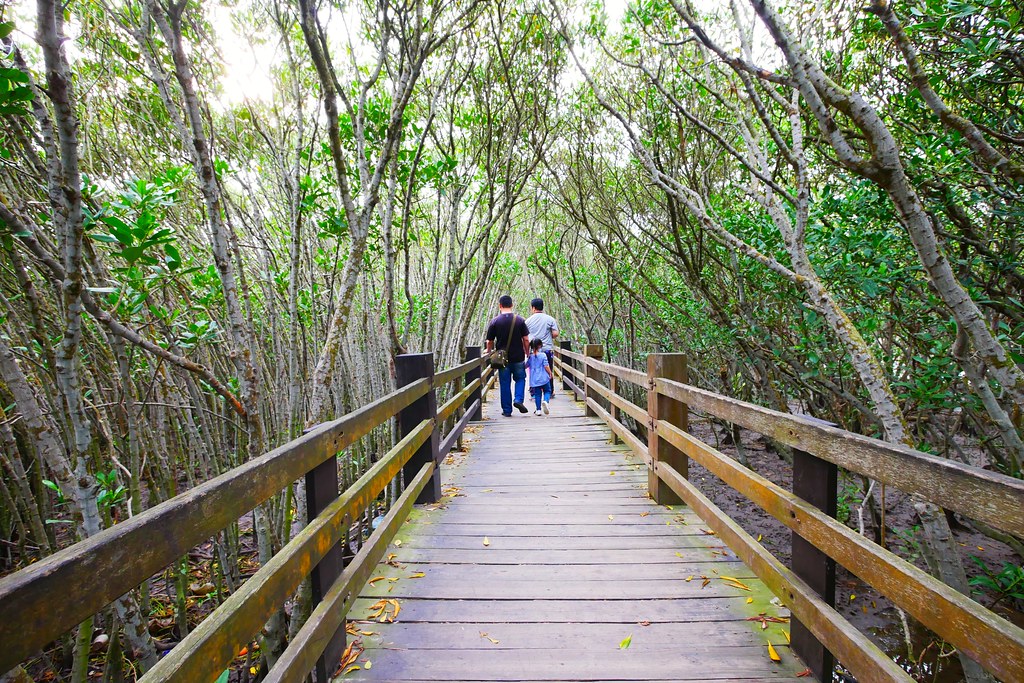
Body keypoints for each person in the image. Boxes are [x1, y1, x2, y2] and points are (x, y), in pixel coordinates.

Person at [485, 294, 530, 417]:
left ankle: (507, 410)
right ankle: (518, 400)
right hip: (518, 357)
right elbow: (526, 339)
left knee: (505, 383)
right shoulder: (520, 320)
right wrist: (527, 352)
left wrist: (488, 351)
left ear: (500, 305)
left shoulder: (495, 321)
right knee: (520, 379)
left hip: (502, 359)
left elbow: (490, 341)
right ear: (512, 305)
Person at [525, 297, 559, 399]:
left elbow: (525, 337)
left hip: (533, 351)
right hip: (547, 349)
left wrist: (526, 351)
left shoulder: (528, 321)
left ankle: (534, 392)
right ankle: (550, 390)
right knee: (548, 369)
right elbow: (555, 333)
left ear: (533, 308)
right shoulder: (550, 319)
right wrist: (549, 335)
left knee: (534, 370)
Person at [526, 338, 552, 415]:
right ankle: (545, 401)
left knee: (537, 394)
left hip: (534, 379)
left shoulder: (530, 357)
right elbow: (546, 366)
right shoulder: (543, 355)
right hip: (544, 378)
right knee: (547, 391)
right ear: (540, 345)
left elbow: (526, 365)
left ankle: (538, 410)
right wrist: (550, 373)